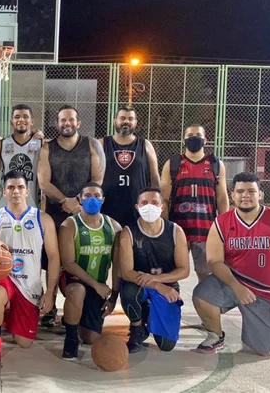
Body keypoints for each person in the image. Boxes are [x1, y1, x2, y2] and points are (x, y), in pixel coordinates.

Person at [193, 172, 270, 356]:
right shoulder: (222, 222)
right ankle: (215, 336)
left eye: (251, 191)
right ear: (232, 195)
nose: (245, 195)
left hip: (269, 293)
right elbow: (214, 261)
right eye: (240, 191)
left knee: (264, 350)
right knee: (202, 294)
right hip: (235, 282)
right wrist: (236, 286)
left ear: (260, 194)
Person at [0, 170, 61, 362]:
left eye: (20, 187)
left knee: (24, 342)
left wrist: (50, 293)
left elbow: (54, 256)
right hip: (3, 276)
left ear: (27, 192)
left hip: (29, 283)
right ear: (4, 192)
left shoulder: (42, 219)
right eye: (11, 187)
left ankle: (7, 314)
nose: (16, 191)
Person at [38, 104, 106, 327]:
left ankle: (84, 303)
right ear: (57, 124)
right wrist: (65, 200)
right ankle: (51, 305)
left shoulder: (91, 144)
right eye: (62, 120)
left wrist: (79, 202)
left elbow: (97, 178)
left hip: (84, 213)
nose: (66, 123)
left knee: (81, 259)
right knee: (53, 262)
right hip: (55, 213)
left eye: (71, 120)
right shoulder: (48, 148)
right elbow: (43, 182)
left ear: (78, 123)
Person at [118, 187, 190, 353]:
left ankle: (150, 313)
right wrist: (156, 285)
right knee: (128, 291)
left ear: (162, 206)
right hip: (140, 285)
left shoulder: (175, 231)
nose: (149, 206)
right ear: (137, 207)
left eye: (154, 202)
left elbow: (184, 270)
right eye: (144, 203)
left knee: (167, 345)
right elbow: (127, 272)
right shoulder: (128, 232)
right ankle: (136, 329)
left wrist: (158, 281)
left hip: (167, 286)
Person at [58, 182, 122, 359]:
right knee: (77, 291)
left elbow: (117, 265)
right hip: (73, 279)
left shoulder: (115, 228)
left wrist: (114, 297)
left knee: (91, 339)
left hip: (97, 287)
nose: (92, 200)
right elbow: (68, 262)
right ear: (79, 199)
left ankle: (73, 319)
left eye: (96, 196)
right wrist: (96, 285)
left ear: (103, 200)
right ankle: (70, 340)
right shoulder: (69, 225)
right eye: (87, 196)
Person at [161, 124, 230, 283]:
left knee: (206, 277)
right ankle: (169, 306)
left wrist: (224, 225)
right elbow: (164, 199)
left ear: (205, 140)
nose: (194, 137)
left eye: (198, 135)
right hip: (178, 231)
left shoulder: (216, 165)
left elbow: (221, 197)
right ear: (184, 139)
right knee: (171, 274)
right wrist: (165, 227)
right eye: (190, 135)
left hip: (205, 231)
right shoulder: (173, 164)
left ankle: (206, 307)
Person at [100, 107, 160, 227]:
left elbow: (154, 177)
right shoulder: (101, 143)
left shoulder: (145, 145)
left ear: (135, 122)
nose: (126, 121)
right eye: (122, 118)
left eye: (130, 119)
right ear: (114, 121)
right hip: (107, 207)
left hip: (137, 208)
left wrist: (157, 203)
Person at [0, 104, 43, 209]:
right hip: (5, 202)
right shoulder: (0, 145)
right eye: (17, 117)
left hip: (31, 202)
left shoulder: (41, 144)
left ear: (32, 121)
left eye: (25, 116)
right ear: (11, 122)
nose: (21, 119)